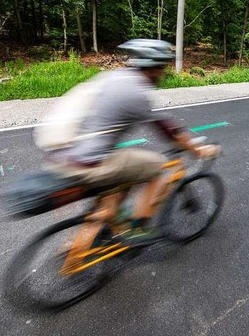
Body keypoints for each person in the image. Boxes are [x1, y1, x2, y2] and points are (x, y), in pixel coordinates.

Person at [40, 39, 218, 247]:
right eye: (162, 68)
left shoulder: (114, 77)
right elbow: (169, 131)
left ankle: (103, 230)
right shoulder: (137, 93)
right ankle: (138, 228)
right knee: (157, 166)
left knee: (128, 169)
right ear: (154, 67)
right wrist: (198, 150)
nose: (163, 74)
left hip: (65, 154)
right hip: (90, 162)